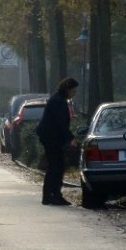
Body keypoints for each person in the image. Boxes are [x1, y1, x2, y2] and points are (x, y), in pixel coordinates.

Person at [36, 77, 79, 205]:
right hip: (51, 137)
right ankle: (51, 195)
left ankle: (52, 194)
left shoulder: (58, 99)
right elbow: (61, 123)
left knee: (56, 166)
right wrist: (71, 138)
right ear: (67, 89)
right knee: (56, 166)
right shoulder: (59, 102)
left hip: (51, 136)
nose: (74, 94)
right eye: (73, 91)